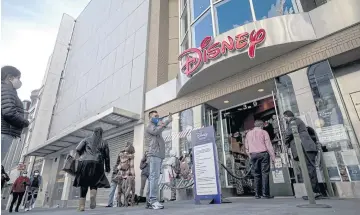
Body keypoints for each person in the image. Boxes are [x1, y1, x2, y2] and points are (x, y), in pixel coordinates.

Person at [283, 110, 321, 199]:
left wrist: (285, 142)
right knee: (309, 169)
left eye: (284, 118)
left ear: (287, 116)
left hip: (304, 148)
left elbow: (288, 133)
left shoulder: (293, 121)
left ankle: (314, 192)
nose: (284, 120)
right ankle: (315, 191)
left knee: (309, 170)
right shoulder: (298, 121)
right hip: (306, 147)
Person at [73, 127, 110, 211]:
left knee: (84, 183)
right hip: (98, 163)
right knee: (95, 181)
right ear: (101, 133)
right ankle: (93, 195)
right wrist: (107, 168)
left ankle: (81, 206)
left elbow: (78, 149)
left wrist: (82, 155)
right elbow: (107, 157)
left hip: (85, 162)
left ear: (93, 132)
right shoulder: (104, 142)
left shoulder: (86, 139)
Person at [1, 66, 29, 162]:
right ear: (10, 77)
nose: (19, 81)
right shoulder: (6, 89)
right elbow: (9, 113)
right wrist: (25, 123)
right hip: (4, 131)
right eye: (18, 78)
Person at [145, 110, 172, 209]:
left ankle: (149, 201)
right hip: (154, 154)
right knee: (154, 177)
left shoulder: (156, 126)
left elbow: (158, 130)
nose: (157, 117)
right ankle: (153, 200)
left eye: (158, 116)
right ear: (150, 118)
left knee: (153, 178)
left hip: (158, 155)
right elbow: (156, 131)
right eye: (155, 116)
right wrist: (167, 121)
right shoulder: (149, 126)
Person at [245, 120, 276, 199]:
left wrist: (250, 155)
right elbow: (268, 145)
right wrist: (273, 157)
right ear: (261, 126)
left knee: (256, 174)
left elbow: (246, 147)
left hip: (253, 155)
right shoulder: (264, 132)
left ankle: (257, 194)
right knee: (265, 173)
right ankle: (265, 194)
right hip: (263, 154)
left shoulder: (248, 134)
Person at [115, 142, 135, 207]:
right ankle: (126, 202)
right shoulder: (131, 156)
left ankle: (119, 203)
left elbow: (119, 165)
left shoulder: (121, 155)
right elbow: (131, 166)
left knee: (120, 188)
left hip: (120, 172)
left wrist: (116, 171)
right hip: (127, 173)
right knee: (127, 188)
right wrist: (133, 174)